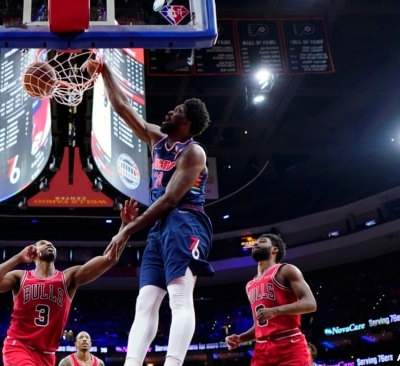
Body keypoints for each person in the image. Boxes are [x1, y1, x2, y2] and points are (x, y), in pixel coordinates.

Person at [94, 62, 214, 366]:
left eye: (176, 111)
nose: (169, 113)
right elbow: (123, 109)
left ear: (186, 122)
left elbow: (171, 199)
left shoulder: (193, 152)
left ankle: (173, 363)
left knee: (179, 297)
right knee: (145, 301)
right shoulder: (158, 139)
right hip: (160, 227)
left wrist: (127, 229)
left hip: (186, 220)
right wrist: (104, 70)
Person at [0, 199, 139, 366]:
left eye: (51, 244)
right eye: (43, 244)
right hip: (19, 346)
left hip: (47, 355)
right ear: (34, 253)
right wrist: (18, 258)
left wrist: (125, 227)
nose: (49, 245)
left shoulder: (68, 278)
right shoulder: (20, 277)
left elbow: (110, 258)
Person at [224, 234, 317, 366]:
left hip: (289, 344)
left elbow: (310, 303)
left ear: (274, 250)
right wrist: (241, 338)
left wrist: (276, 310)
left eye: (261, 242)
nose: (255, 244)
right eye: (255, 243)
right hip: (262, 349)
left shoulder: (286, 270)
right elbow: (261, 325)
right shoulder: (250, 285)